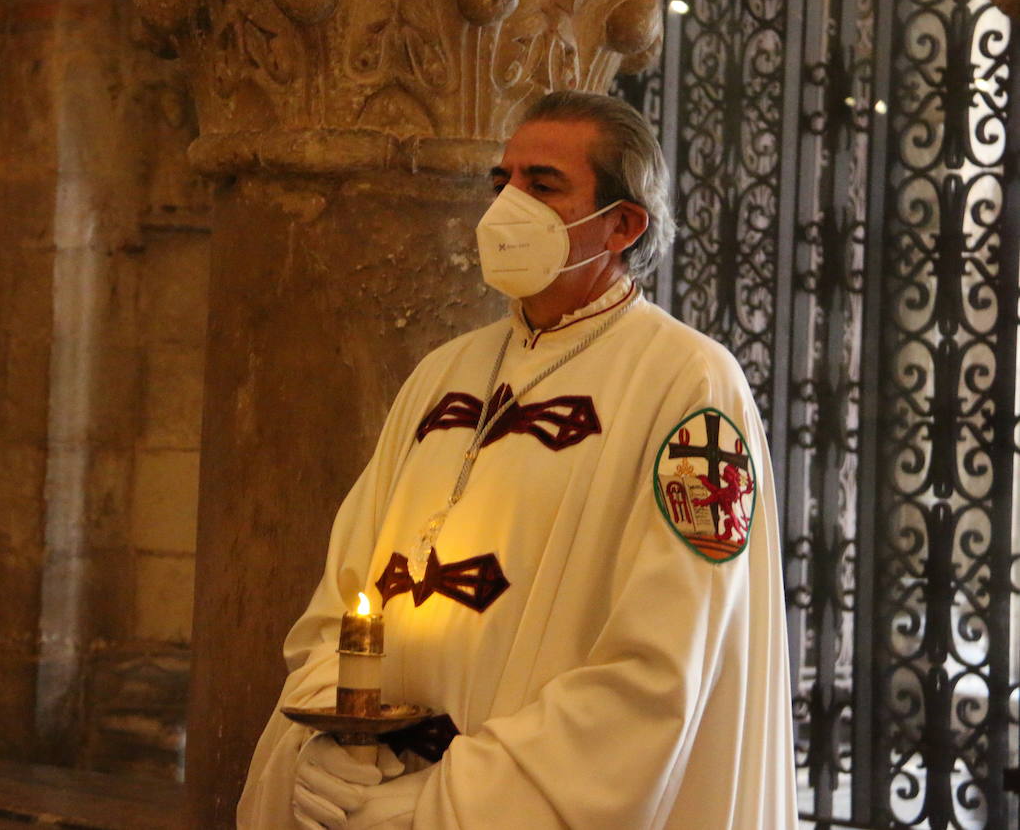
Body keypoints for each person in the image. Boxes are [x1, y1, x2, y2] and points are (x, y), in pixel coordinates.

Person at [237, 90, 797, 829]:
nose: (507, 206)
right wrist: (326, 743)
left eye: (543, 184)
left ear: (623, 224)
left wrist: (457, 802)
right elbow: (344, 598)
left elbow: (662, 665)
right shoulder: (443, 374)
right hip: (370, 792)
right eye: (502, 182)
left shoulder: (689, 383)